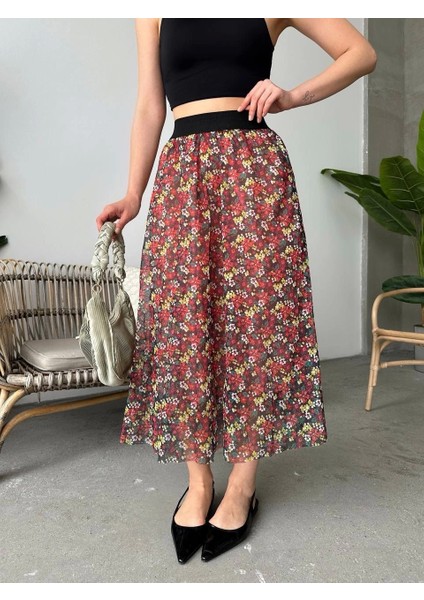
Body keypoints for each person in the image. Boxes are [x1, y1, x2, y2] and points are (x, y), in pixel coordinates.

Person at [96, 18, 377, 564]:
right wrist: (133, 193)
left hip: (255, 171)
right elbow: (151, 105)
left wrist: (292, 96)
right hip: (182, 174)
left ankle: (244, 483)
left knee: (259, 325)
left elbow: (360, 53)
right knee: (180, 328)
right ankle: (199, 481)